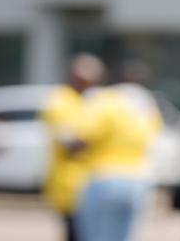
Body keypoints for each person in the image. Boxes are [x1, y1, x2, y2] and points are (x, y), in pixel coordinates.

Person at [75, 61, 163, 241]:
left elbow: (84, 135)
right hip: (138, 179)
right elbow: (153, 137)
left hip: (104, 176)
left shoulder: (107, 99)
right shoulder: (147, 104)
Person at [40, 54, 104, 241]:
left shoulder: (92, 100)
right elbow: (69, 144)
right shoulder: (60, 101)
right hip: (69, 185)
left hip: (91, 182)